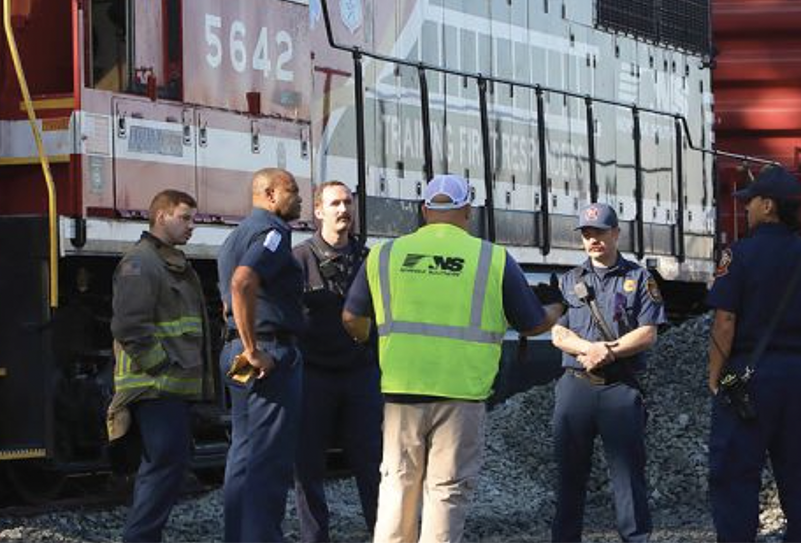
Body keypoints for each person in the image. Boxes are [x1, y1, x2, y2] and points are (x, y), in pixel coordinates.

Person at [342, 174, 563, 543]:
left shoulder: (384, 255)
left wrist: (373, 345)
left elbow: (351, 317)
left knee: (396, 487)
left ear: (425, 210)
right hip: (461, 394)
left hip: (402, 392)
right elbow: (533, 325)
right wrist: (556, 306)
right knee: (445, 492)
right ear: (466, 211)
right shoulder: (492, 259)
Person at [707, 165, 801, 542]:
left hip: (747, 377)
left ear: (768, 206)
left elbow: (724, 323)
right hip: (796, 379)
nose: (746, 210)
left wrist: (715, 378)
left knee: (735, 479)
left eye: (750, 203)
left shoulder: (738, 255)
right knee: (799, 483)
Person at [550, 202, 664, 542]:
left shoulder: (639, 279)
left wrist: (608, 351)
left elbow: (648, 332)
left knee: (628, 477)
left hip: (619, 388)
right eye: (587, 234)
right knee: (569, 476)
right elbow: (557, 333)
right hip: (576, 387)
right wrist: (590, 350)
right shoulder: (568, 281)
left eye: (599, 232)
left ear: (616, 233)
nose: (593, 240)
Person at [106, 189, 214, 543]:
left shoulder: (171, 264)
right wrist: (160, 368)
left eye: (193, 219)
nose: (192, 226)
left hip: (170, 388)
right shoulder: (141, 264)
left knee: (169, 467)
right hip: (155, 389)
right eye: (185, 218)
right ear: (161, 216)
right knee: (162, 467)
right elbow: (129, 326)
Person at [218, 167, 305, 543]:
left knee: (244, 450)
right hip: (266, 352)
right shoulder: (273, 233)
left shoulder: (234, 235)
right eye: (293, 191)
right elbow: (243, 281)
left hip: (237, 352)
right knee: (269, 457)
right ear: (269, 194)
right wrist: (255, 349)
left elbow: (232, 286)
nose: (300, 198)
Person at [292, 181, 382, 542]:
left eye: (347, 203)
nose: (343, 210)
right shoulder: (298, 260)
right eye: (334, 204)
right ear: (318, 211)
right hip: (313, 376)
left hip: (361, 374)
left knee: (373, 464)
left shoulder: (369, 258)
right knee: (308, 466)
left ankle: (384, 533)